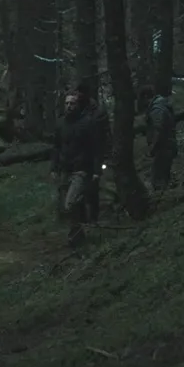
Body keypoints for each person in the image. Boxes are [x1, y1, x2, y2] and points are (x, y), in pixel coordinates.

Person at [51, 90, 103, 245]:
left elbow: (96, 148)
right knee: (68, 205)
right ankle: (78, 235)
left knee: (71, 203)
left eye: (72, 103)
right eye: (67, 103)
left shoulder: (87, 123)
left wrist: (96, 170)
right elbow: (56, 147)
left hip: (81, 170)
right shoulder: (60, 123)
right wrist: (53, 168)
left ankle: (76, 234)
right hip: (64, 169)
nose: (69, 106)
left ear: (78, 105)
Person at [73, 81, 110, 222]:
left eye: (81, 93)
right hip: (78, 155)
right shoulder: (76, 109)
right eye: (78, 93)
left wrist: (104, 155)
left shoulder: (97, 112)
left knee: (92, 188)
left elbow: (104, 134)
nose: (79, 96)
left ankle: (93, 218)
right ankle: (81, 218)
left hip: (94, 154)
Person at [138, 84, 177, 191]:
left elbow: (158, 130)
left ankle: (163, 198)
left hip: (163, 148)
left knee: (158, 179)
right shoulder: (162, 105)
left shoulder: (157, 109)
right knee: (163, 177)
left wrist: (153, 147)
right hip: (167, 146)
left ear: (146, 97)